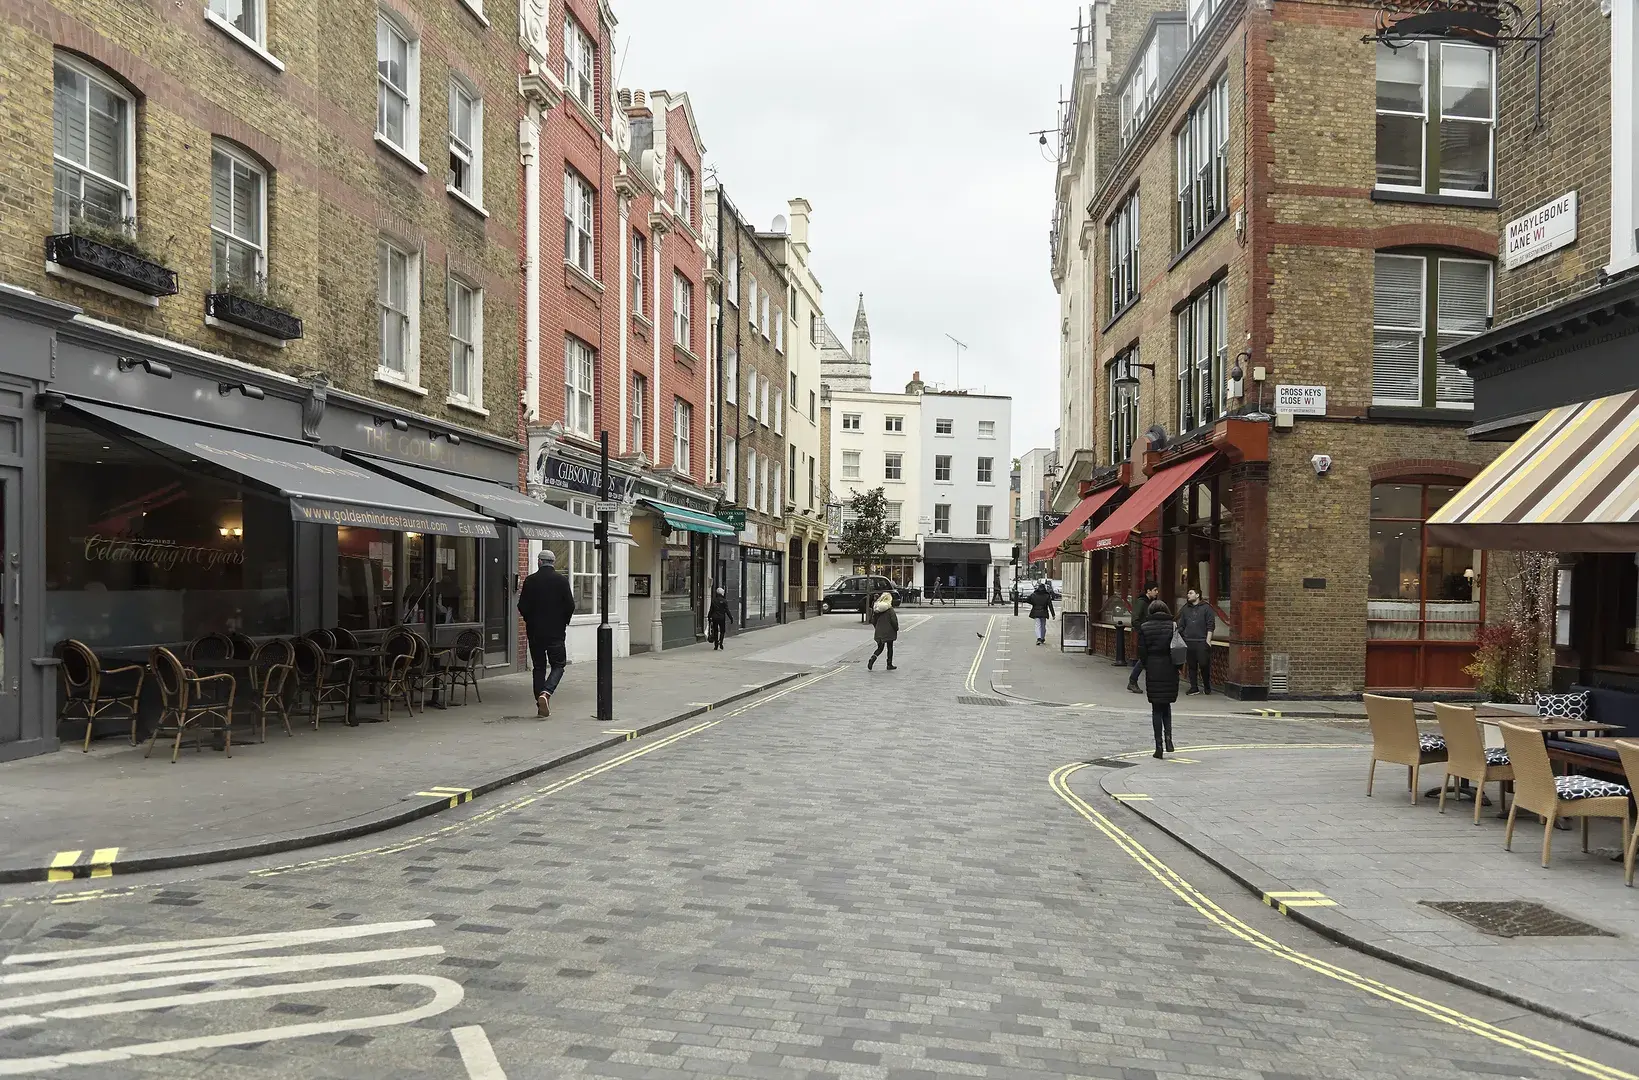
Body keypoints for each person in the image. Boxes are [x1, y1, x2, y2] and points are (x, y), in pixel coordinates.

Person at [517, 549, 575, 717]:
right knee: (558, 665)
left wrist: (530, 620)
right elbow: (570, 605)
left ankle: (540, 703)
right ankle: (546, 692)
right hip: (556, 632)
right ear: (553, 562)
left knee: (539, 667)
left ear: (539, 562)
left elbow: (522, 606)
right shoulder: (561, 580)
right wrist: (563, 621)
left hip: (535, 632)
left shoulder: (530, 580)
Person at [1135, 599, 1180, 758]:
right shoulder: (1173, 626)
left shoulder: (1144, 627)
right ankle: (1169, 739)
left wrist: (1147, 665)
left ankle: (1158, 746)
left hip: (1153, 667)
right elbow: (1178, 648)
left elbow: (1142, 651)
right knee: (1166, 706)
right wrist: (1178, 666)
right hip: (1169, 667)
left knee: (1156, 708)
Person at [1178, 587, 1216, 695]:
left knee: (1204, 664)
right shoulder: (1185, 609)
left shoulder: (1206, 608)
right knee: (1191, 665)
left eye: (1191, 593)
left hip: (1202, 641)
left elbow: (1210, 625)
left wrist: (1208, 640)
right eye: (1188, 593)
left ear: (1197, 595)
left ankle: (1207, 686)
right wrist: (1178, 633)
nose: (1188, 595)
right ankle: (1194, 687)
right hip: (1189, 640)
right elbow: (1182, 625)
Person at [1126, 582, 1161, 694]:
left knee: (1149, 659)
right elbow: (1135, 620)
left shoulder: (1150, 602)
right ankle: (1132, 681)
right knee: (1144, 659)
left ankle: (1151, 683)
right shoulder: (1142, 602)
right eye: (1155, 590)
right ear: (1148, 591)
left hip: (1151, 634)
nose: (1157, 592)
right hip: (1145, 635)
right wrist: (1144, 630)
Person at [867, 592, 898, 670]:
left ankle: (873, 658)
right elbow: (893, 620)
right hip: (889, 631)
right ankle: (889, 664)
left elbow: (873, 620)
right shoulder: (890, 609)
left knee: (880, 648)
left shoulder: (877, 609)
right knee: (890, 647)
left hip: (879, 631)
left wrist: (877, 627)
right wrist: (896, 628)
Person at [1027, 581, 1056, 645]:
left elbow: (1028, 599)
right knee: (1043, 625)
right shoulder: (1047, 595)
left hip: (1036, 611)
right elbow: (1050, 605)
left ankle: (1039, 638)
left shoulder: (1034, 594)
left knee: (1037, 625)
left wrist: (1033, 603)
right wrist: (1053, 614)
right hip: (1044, 612)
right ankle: (1042, 638)